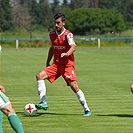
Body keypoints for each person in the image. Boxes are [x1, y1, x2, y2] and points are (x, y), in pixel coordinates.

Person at [35, 13, 91, 116]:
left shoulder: (68, 34)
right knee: (39, 76)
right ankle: (43, 102)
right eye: (55, 23)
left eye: (58, 23)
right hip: (56, 65)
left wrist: (67, 53)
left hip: (67, 65)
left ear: (63, 23)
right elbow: (52, 48)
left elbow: (73, 47)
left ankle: (86, 109)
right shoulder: (52, 34)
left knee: (74, 86)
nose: (56, 25)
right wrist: (48, 61)